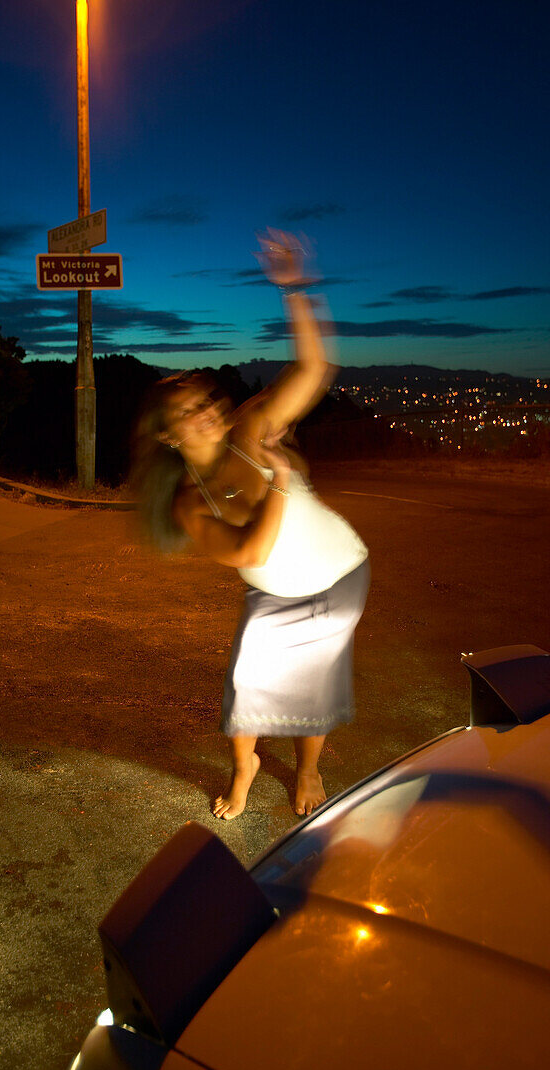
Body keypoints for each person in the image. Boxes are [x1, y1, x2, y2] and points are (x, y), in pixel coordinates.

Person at [134, 230, 369, 820]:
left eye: (205, 400)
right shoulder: (191, 503)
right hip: (273, 590)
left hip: (340, 575)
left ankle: (310, 767)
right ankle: (247, 768)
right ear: (168, 436)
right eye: (187, 412)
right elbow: (247, 551)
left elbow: (315, 367)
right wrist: (282, 485)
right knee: (248, 684)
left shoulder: (249, 429)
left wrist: (296, 289)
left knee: (314, 682)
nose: (207, 411)